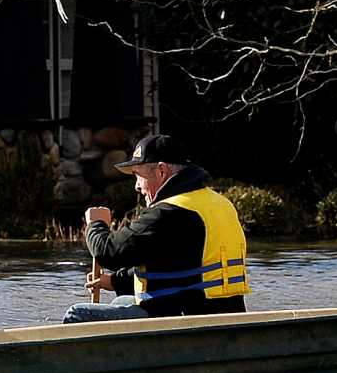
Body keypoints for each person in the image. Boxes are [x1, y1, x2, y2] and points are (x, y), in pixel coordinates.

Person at [66, 136, 249, 323]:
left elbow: (108, 253)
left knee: (77, 313)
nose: (137, 186)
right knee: (122, 299)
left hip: (186, 321)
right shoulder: (218, 204)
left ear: (161, 170)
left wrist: (96, 224)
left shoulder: (169, 212)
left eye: (138, 175)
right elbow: (178, 265)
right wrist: (114, 282)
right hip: (224, 318)